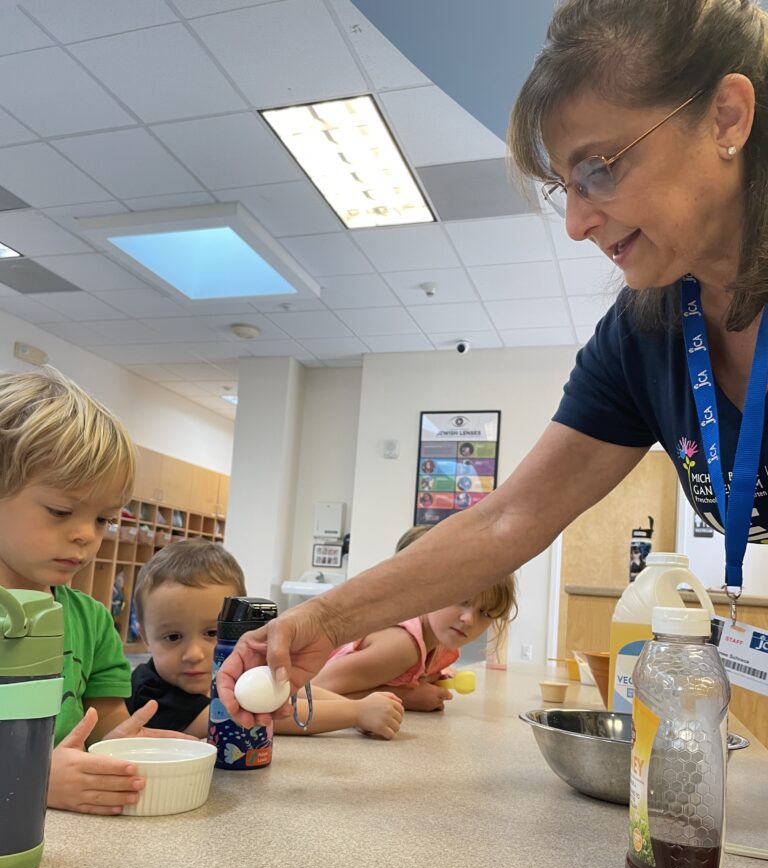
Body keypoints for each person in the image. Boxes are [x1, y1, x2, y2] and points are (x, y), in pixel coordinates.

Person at [218, 0, 768, 727]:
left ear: (727, 117)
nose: (576, 224)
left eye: (598, 170)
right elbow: (506, 522)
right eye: (563, 189)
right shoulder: (648, 334)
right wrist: (320, 621)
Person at [0, 369, 186, 815]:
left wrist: (124, 745)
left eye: (103, 519)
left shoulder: (91, 619)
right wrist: (33, 781)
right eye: (61, 511)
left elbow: (104, 721)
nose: (86, 535)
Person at [128, 540, 404, 740]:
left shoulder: (232, 663)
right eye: (173, 637)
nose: (194, 653)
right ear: (145, 637)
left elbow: (288, 688)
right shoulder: (149, 692)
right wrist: (355, 713)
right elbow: (264, 717)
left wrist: (359, 706)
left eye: (212, 633)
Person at [309, 572, 516, 712]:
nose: (469, 619)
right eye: (461, 599)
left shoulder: (443, 644)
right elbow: (306, 691)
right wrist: (404, 698)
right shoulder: (402, 646)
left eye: (485, 613)